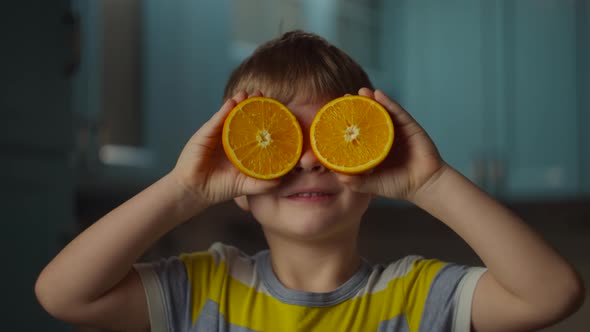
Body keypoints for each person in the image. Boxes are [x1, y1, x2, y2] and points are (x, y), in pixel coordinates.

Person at [35, 30, 584, 332]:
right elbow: (62, 295)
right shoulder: (198, 293)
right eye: (278, 141)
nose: (307, 162)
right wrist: (185, 189)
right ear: (241, 174)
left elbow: (553, 295)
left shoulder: (420, 298)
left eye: (330, 138)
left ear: (372, 154)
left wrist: (431, 182)